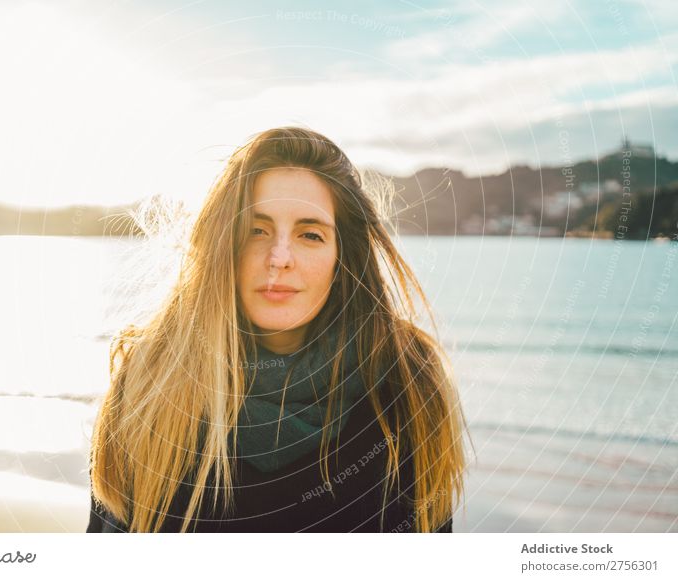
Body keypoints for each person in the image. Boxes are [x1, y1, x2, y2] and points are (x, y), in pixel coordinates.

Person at [86, 126, 469, 533]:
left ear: (344, 257)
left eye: (310, 234)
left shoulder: (406, 380)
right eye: (256, 229)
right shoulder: (152, 377)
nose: (279, 257)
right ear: (222, 242)